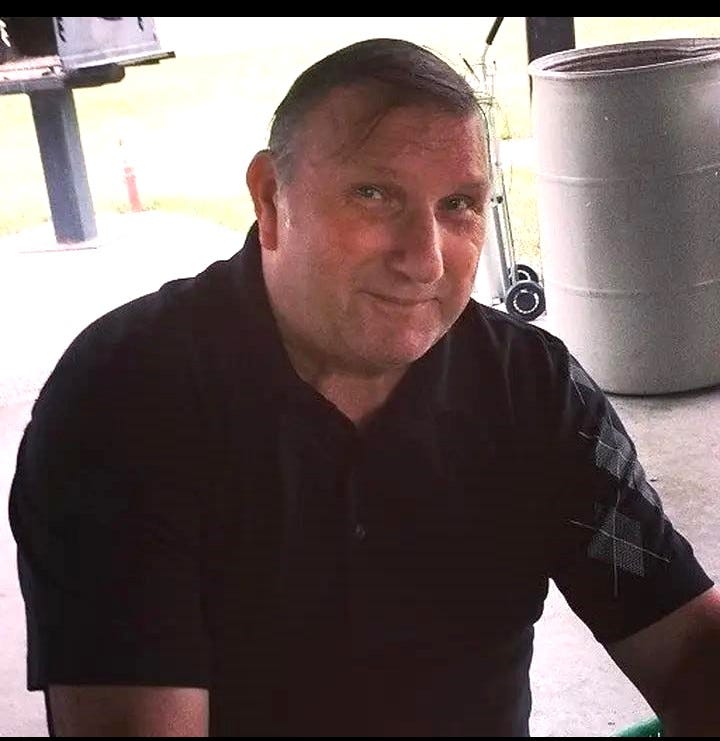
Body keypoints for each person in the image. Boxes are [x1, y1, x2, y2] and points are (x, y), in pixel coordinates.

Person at [8, 37, 720, 737]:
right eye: (374, 195)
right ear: (270, 198)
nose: (426, 260)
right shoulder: (125, 400)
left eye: (459, 204)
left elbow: (683, 643)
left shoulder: (530, 390)